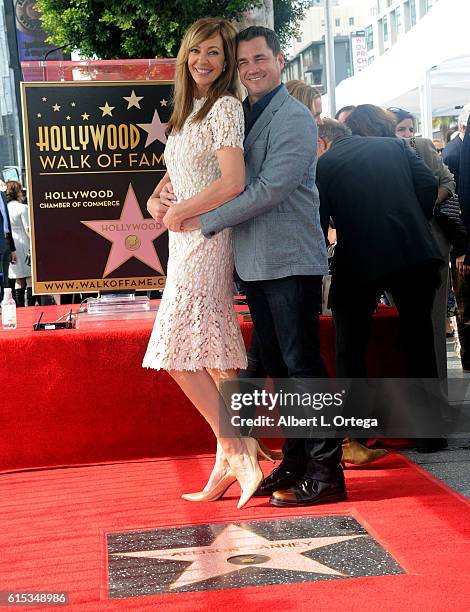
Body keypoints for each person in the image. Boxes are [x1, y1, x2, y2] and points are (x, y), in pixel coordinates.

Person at [152, 26, 345, 508]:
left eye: (259, 59)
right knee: (280, 367)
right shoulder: (248, 111)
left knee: (304, 367)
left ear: (280, 60)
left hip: (288, 259)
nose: (252, 69)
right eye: (244, 63)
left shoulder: (294, 117)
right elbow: (213, 170)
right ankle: (297, 463)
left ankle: (326, 471)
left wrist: (202, 219)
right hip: (253, 260)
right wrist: (166, 196)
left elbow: (267, 189)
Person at [142, 18, 264, 510]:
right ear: (185, 56)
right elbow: (178, 179)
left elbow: (233, 181)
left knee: (175, 350)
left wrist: (182, 211)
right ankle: (231, 456)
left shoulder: (227, 107)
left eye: (214, 52)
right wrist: (157, 200)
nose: (204, 61)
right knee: (213, 355)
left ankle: (237, 448)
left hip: (208, 238)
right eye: (197, 52)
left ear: (227, 59)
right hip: (185, 239)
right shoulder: (185, 110)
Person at [318, 115, 443, 450]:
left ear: (320, 142)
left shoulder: (324, 164)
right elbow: (430, 185)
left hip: (358, 258)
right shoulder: (396, 146)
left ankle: (354, 436)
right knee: (418, 339)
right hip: (413, 250)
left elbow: (318, 220)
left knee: (350, 347)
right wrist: (412, 219)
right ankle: (429, 435)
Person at [388, 107, 458, 382]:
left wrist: (424, 205)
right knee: (402, 320)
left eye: (409, 128)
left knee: (432, 319)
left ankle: (437, 391)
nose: (406, 134)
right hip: (395, 247)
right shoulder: (382, 153)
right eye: (400, 129)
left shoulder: (422, 146)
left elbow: (448, 181)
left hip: (431, 244)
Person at [5, 181, 32, 306]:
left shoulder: (5, 208)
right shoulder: (23, 208)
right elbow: (28, 229)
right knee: (30, 279)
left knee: (18, 280)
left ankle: (20, 308)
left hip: (12, 247)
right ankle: (32, 306)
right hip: (25, 246)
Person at [0, 184, 16, 300]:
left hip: (6, 241)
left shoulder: (2, 195)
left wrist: (12, 248)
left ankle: (4, 305)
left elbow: (7, 223)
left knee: (6, 280)